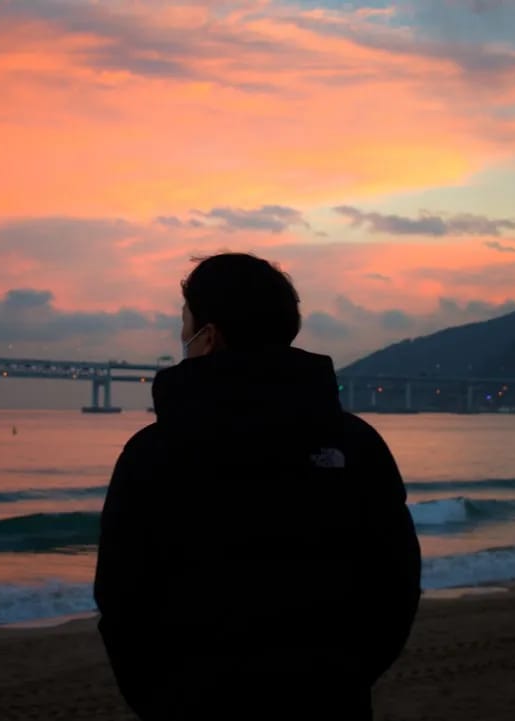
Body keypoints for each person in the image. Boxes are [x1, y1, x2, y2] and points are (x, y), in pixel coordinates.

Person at [94, 253, 422, 720]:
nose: (182, 334)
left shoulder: (154, 451)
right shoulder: (354, 443)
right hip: (329, 702)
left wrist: (162, 699)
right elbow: (395, 580)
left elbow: (122, 596)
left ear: (209, 336)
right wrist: (345, 677)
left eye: (185, 321)